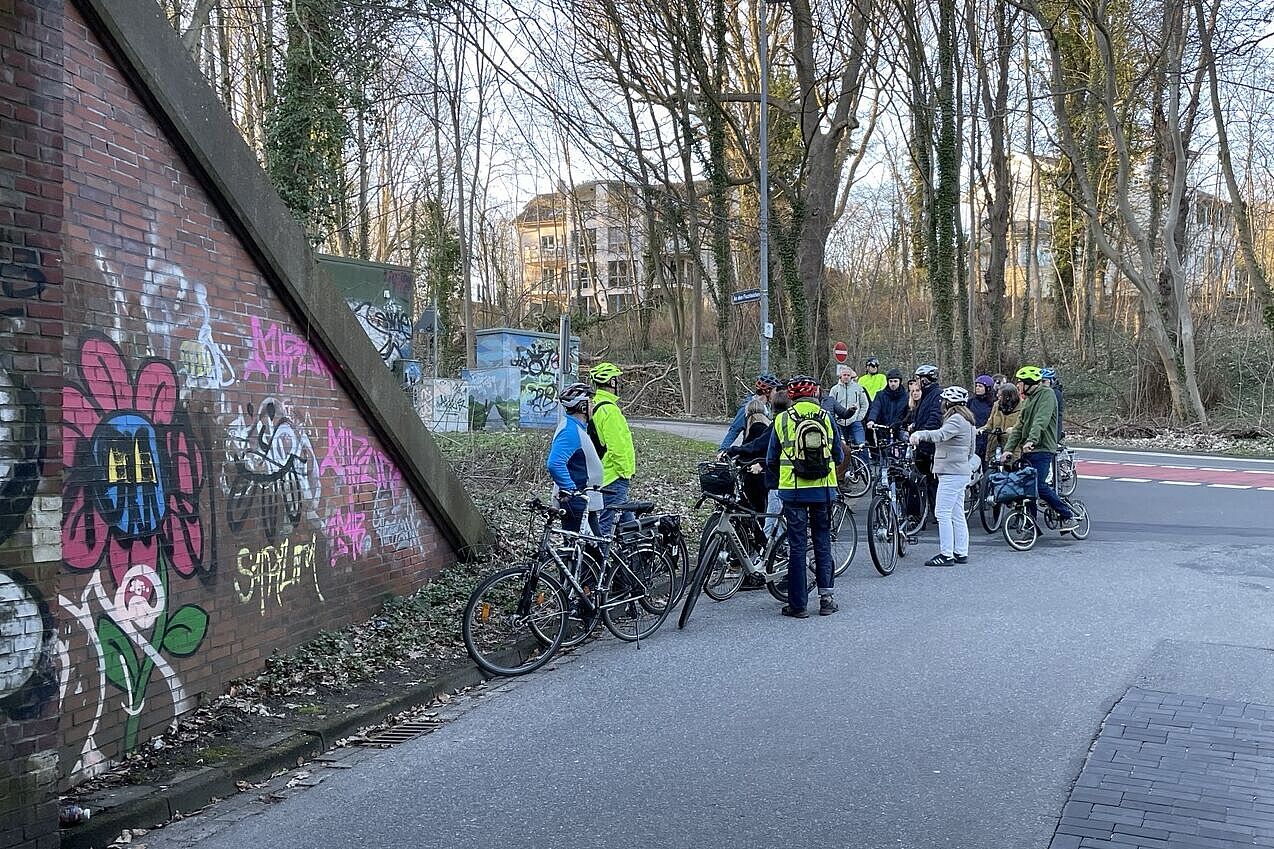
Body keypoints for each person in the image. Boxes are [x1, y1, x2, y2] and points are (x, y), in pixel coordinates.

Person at [765, 375, 844, 618]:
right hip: (823, 490)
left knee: (797, 546)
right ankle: (827, 599)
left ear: (791, 396)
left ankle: (798, 605)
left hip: (794, 491)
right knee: (822, 541)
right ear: (816, 394)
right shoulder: (827, 418)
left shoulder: (782, 420)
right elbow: (839, 456)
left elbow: (770, 460)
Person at [1004, 366, 1077, 532]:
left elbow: (1041, 420)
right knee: (1026, 487)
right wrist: (1008, 449)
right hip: (1029, 448)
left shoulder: (1047, 394)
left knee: (1039, 486)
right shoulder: (1028, 400)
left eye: (1020, 383)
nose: (1018, 386)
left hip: (1043, 447)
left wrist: (1031, 440)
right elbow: (1019, 427)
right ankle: (1031, 526)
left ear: (1029, 383)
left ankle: (1067, 516)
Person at [910, 386, 976, 567]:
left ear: (948, 403)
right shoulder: (968, 420)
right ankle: (961, 552)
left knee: (942, 512)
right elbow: (972, 450)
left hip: (951, 473)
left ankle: (946, 554)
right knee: (956, 513)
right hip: (960, 471)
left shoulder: (955, 419)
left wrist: (920, 434)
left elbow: (940, 435)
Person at [546, 383, 604, 534]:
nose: (593, 406)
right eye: (590, 402)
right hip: (577, 501)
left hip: (583, 500)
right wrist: (571, 489)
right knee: (589, 554)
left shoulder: (576, 427)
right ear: (583, 407)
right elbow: (555, 463)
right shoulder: (570, 431)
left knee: (591, 551)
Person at [587, 362, 636, 539]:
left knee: (630, 528)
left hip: (605, 473)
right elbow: (617, 447)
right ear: (612, 382)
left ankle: (634, 563)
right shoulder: (609, 410)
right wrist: (625, 472)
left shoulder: (596, 405)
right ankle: (598, 564)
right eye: (616, 380)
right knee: (606, 529)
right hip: (614, 476)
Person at [911, 364, 943, 513]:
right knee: (925, 477)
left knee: (932, 479)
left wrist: (922, 434)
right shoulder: (926, 394)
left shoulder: (936, 394)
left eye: (919, 379)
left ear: (926, 379)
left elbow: (935, 419)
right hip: (921, 441)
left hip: (930, 444)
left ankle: (936, 510)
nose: (917, 382)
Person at [720, 373, 781, 451]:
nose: (776, 393)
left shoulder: (769, 406)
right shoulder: (748, 407)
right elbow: (735, 429)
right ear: (767, 391)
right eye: (775, 390)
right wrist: (723, 449)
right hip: (750, 450)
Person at [830, 366, 870, 455]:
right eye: (844, 375)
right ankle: (843, 467)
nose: (846, 377)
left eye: (848, 375)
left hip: (854, 421)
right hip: (840, 422)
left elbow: (865, 404)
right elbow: (830, 405)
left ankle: (865, 467)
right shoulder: (834, 389)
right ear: (840, 376)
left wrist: (859, 418)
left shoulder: (858, 388)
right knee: (840, 447)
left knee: (861, 444)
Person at [980, 384, 1022, 463]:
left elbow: (1023, 426)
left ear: (1008, 397)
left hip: (1012, 447)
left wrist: (1013, 429)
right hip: (995, 444)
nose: (997, 397)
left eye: (1000, 396)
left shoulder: (1022, 407)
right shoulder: (996, 405)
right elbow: (990, 423)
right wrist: (980, 429)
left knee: (1011, 470)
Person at [866, 368, 909, 442]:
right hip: (883, 429)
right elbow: (875, 408)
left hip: (899, 429)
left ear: (900, 382)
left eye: (895, 381)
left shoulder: (906, 396)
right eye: (891, 381)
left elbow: (908, 413)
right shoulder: (880, 395)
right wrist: (871, 420)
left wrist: (901, 424)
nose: (893, 384)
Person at [970, 375, 996, 459]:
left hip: (988, 437)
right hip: (973, 436)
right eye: (976, 386)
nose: (977, 388)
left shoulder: (994, 403)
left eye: (980, 386)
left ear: (987, 388)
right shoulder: (970, 401)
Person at [1042, 367, 1065, 444]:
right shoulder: (1050, 392)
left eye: (1043, 381)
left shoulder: (1054, 393)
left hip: (1053, 430)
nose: (1041, 384)